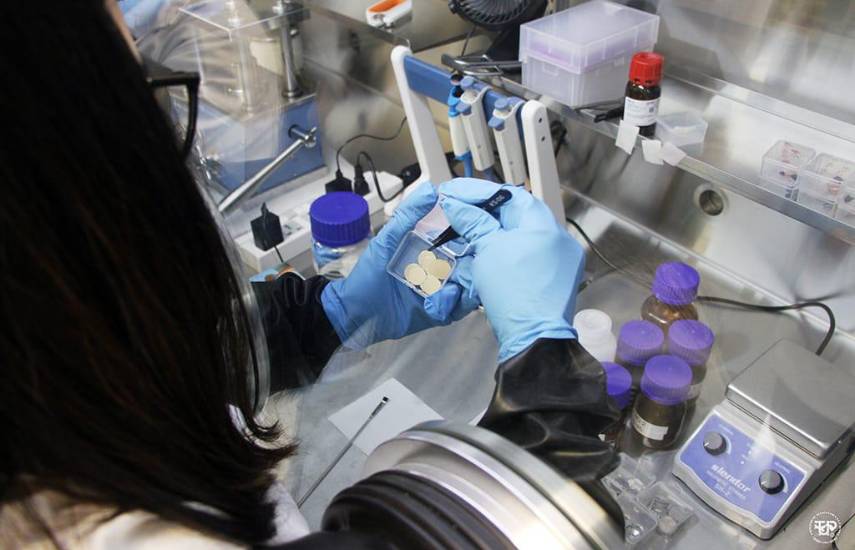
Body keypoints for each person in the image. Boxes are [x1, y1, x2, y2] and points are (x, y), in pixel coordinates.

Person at [0, 1, 618, 548]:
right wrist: (546, 379)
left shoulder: (48, 382)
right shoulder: (97, 529)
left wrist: (322, 317)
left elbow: (136, 368)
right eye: (141, 85)